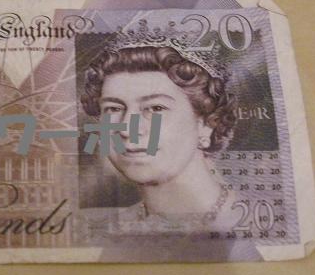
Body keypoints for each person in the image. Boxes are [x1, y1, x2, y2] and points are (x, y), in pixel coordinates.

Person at [81, 45, 240, 230]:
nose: (128, 130)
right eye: (113, 108)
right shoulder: (101, 230)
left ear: (207, 124)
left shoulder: (249, 218)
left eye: (156, 108)